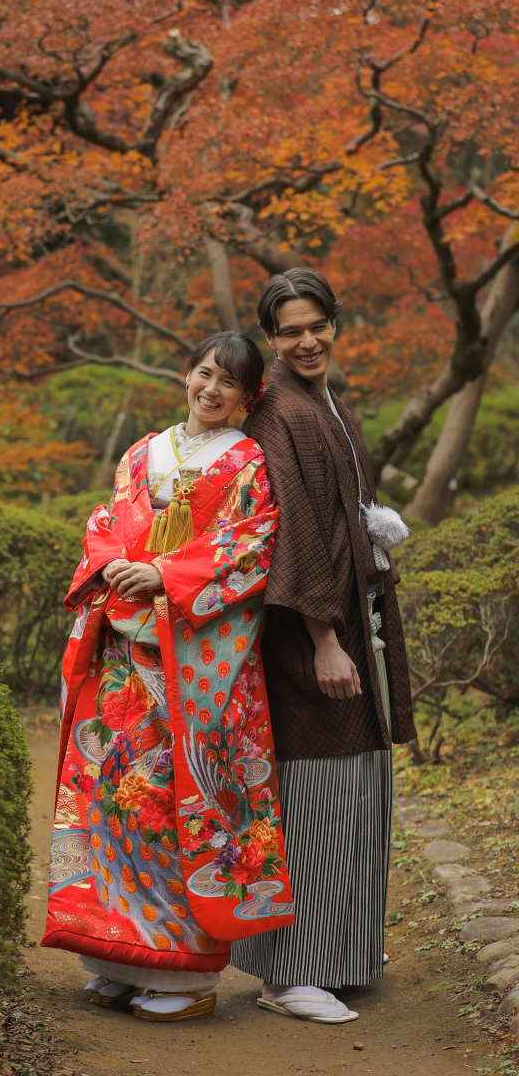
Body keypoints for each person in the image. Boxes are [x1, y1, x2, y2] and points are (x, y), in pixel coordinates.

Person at [41, 332, 296, 1023]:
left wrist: (164, 573)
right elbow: (105, 521)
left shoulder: (247, 462)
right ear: (188, 374)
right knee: (109, 799)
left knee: (167, 803)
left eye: (230, 385)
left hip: (190, 664)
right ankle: (116, 954)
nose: (211, 390)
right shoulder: (141, 452)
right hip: (124, 653)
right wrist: (113, 566)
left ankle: (183, 978)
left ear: (248, 399)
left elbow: (250, 545)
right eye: (205, 374)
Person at [231, 269, 417, 1025]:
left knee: (354, 785)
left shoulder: (325, 401)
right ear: (271, 339)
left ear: (335, 324)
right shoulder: (276, 412)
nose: (307, 341)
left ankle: (342, 952)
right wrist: (322, 638)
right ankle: (290, 971)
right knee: (311, 791)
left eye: (318, 326)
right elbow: (293, 531)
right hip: (312, 633)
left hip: (349, 619)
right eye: (290, 331)